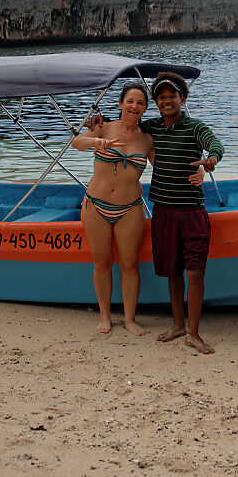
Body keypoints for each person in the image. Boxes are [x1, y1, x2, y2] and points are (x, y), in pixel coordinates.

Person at [143, 71, 224, 354]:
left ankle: (194, 333)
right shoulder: (151, 127)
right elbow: (125, 128)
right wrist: (98, 123)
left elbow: (214, 143)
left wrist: (211, 159)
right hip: (163, 211)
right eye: (161, 98)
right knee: (173, 273)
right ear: (156, 102)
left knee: (195, 273)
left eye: (172, 96)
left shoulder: (194, 127)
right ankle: (178, 326)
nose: (167, 101)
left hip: (192, 212)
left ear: (182, 98)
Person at [71, 82, 154, 336]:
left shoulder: (147, 139)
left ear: (145, 109)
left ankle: (130, 319)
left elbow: (166, 165)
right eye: (130, 101)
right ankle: (105, 316)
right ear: (120, 104)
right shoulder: (103, 126)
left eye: (140, 102)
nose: (134, 106)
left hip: (130, 209)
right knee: (102, 262)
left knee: (130, 265)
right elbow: (76, 143)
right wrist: (97, 140)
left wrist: (196, 168)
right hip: (96, 205)